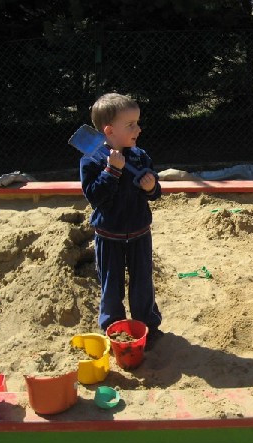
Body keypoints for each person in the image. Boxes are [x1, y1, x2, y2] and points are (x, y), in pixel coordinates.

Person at [79, 92, 163, 350]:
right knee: (111, 285)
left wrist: (151, 187)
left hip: (139, 232)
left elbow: (155, 193)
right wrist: (112, 170)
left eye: (137, 123)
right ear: (109, 130)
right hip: (109, 235)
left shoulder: (140, 156)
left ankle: (147, 325)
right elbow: (95, 197)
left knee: (142, 282)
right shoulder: (92, 160)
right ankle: (113, 328)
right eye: (131, 125)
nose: (138, 129)